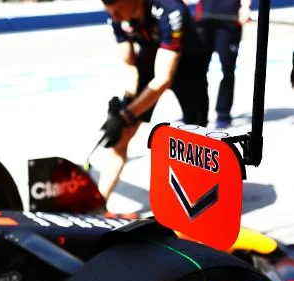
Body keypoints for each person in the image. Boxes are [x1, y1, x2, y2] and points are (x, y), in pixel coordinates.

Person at [97, 0, 209, 205]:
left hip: (188, 65)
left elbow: (163, 79)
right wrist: (124, 105)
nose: (115, 18)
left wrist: (127, 114)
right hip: (150, 58)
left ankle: (197, 199)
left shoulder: (171, 10)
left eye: (118, 12)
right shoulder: (117, 17)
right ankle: (98, 203)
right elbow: (130, 64)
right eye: (111, 13)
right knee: (121, 136)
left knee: (197, 137)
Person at [193, 0, 252, 129]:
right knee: (198, 69)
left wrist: (245, 7)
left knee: (228, 70)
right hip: (204, 18)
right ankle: (195, 113)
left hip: (228, 20)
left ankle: (223, 114)